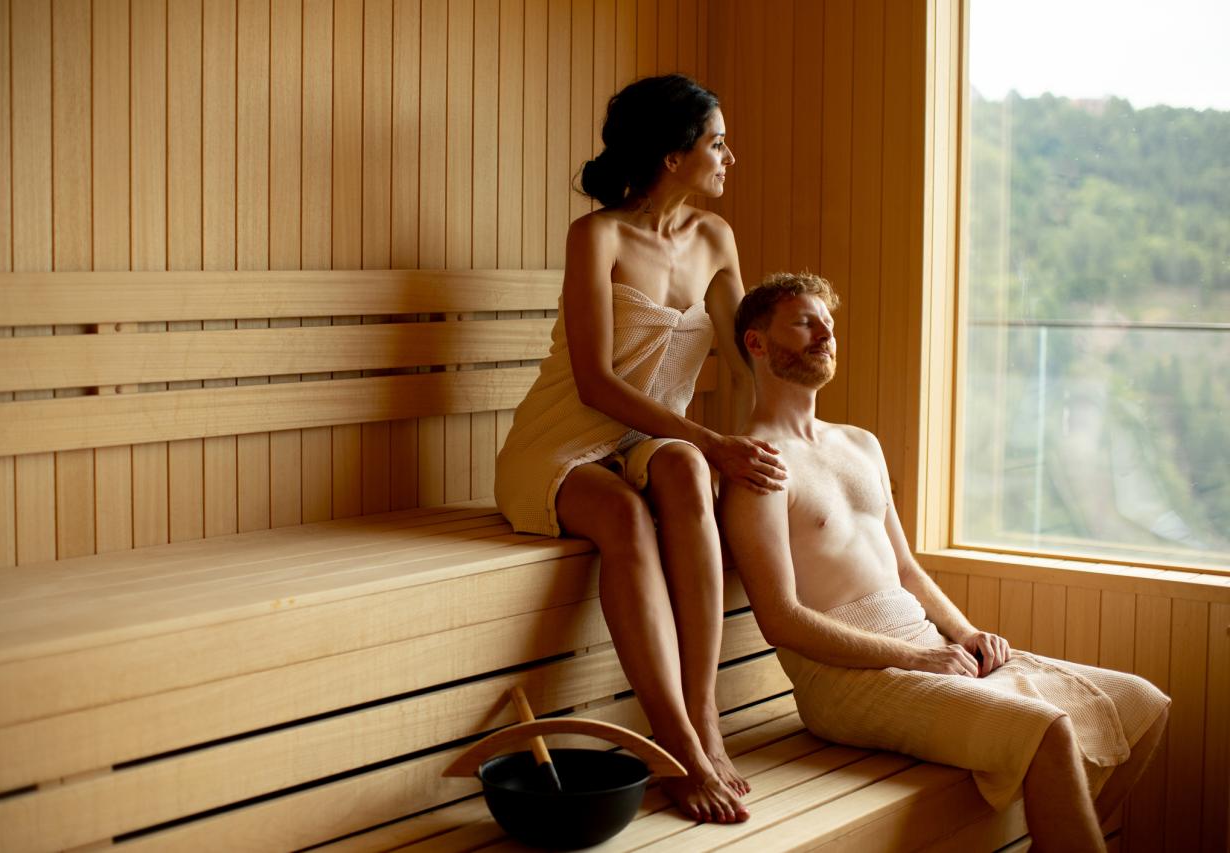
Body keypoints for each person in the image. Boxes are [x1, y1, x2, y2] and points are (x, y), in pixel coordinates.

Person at [718, 272, 1171, 852]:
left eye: (828, 323)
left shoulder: (859, 443)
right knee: (1048, 729)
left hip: (925, 645)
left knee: (1141, 701)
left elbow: (905, 569)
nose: (827, 334)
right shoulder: (758, 466)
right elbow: (781, 620)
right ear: (756, 344)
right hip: (844, 681)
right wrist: (918, 655)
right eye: (806, 322)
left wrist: (964, 632)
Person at [494, 75, 787, 824]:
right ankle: (675, 740)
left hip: (653, 442)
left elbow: (746, 357)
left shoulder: (716, 239)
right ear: (671, 155)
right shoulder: (596, 237)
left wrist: (781, 436)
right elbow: (593, 380)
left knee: (687, 467)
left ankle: (705, 718)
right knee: (628, 514)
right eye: (717, 141)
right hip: (561, 442)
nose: (730, 155)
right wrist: (713, 438)